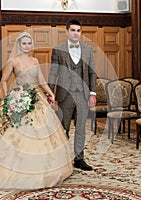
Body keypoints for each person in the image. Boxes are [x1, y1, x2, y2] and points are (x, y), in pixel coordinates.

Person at [0, 32, 73, 190]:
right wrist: (9, 94)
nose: (27, 46)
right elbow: (4, 80)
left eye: (29, 43)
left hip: (36, 98)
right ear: (18, 45)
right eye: (24, 43)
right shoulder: (13, 61)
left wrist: (50, 93)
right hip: (18, 96)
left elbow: (41, 81)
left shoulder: (35, 60)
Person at [48, 19, 97, 171]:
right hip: (65, 95)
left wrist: (93, 93)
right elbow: (53, 73)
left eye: (78, 30)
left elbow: (91, 73)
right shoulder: (58, 50)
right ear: (67, 31)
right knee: (63, 128)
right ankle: (61, 158)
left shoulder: (88, 50)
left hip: (83, 94)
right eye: (73, 30)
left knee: (81, 128)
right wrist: (50, 93)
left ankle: (79, 159)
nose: (76, 33)